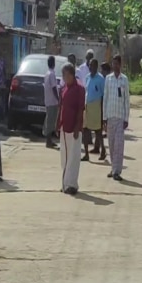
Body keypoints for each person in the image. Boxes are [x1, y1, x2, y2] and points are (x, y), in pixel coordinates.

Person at [57, 63, 85, 195]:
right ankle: (65, 183)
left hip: (74, 127)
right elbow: (60, 107)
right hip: (64, 126)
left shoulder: (79, 88)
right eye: (63, 75)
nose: (64, 77)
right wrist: (58, 124)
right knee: (65, 156)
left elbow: (80, 109)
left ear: (72, 75)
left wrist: (76, 127)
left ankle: (71, 184)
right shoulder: (64, 88)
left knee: (73, 156)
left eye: (66, 75)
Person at [103, 55, 130, 181]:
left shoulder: (124, 80)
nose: (114, 66)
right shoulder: (108, 79)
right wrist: (104, 118)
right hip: (110, 116)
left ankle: (117, 171)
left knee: (119, 145)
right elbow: (105, 98)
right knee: (111, 144)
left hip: (120, 117)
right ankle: (113, 167)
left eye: (116, 64)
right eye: (113, 64)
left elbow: (127, 101)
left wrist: (126, 118)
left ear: (120, 64)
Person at [82, 59, 106, 162]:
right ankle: (86, 153)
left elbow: (104, 95)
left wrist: (102, 111)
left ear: (96, 67)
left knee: (98, 130)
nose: (91, 68)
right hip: (87, 105)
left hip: (96, 106)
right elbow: (86, 91)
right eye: (90, 66)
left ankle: (103, 150)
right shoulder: (87, 77)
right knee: (85, 130)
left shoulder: (100, 79)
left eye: (93, 66)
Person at [43, 56, 60, 149]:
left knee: (49, 120)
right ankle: (48, 141)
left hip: (48, 100)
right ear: (54, 63)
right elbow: (54, 87)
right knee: (50, 121)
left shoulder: (47, 73)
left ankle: (49, 140)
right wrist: (58, 99)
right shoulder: (52, 74)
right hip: (52, 101)